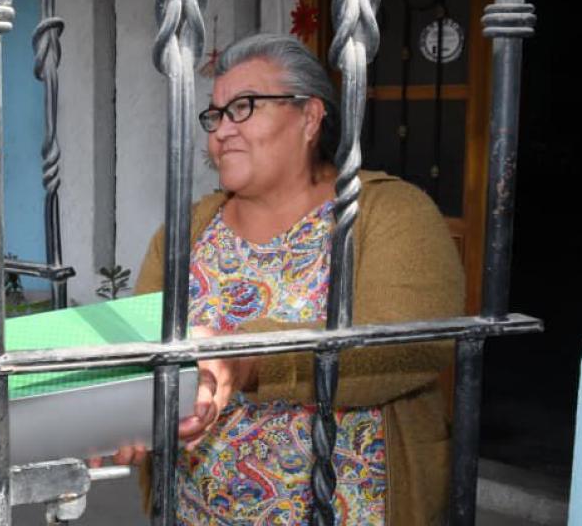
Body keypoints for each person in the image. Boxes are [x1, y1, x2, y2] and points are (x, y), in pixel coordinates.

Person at [129, 33, 462, 525]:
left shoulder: (386, 212)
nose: (222, 130)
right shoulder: (186, 231)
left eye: (244, 107)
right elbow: (139, 350)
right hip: (196, 510)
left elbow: (417, 341)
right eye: (216, 115)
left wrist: (251, 358)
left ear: (309, 117)